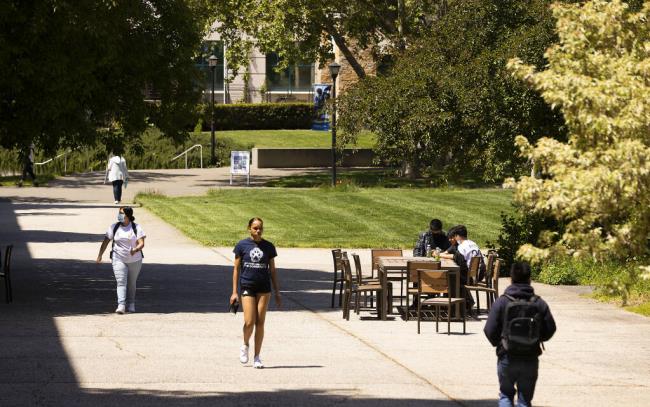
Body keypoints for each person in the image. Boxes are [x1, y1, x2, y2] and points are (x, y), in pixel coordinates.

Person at [483, 262, 556, 407]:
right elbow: (550, 328)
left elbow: (489, 329)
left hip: (507, 355)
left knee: (505, 396)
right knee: (524, 400)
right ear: (530, 279)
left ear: (511, 278)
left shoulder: (502, 302)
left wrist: (500, 343)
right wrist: (536, 339)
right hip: (530, 357)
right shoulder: (539, 303)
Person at [230, 217, 281, 369]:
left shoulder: (269, 247)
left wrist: (277, 291)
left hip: (264, 288)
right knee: (249, 321)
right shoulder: (241, 245)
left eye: (260, 228)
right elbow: (236, 269)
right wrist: (234, 292)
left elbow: (272, 270)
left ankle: (257, 357)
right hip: (247, 286)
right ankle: (245, 344)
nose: (258, 231)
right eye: (255, 228)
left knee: (260, 323)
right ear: (249, 228)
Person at [96, 206, 146, 314]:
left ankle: (131, 304)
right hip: (118, 258)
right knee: (121, 282)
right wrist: (100, 255)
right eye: (119, 213)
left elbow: (142, 243)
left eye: (121, 213)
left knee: (132, 283)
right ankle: (121, 305)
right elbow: (105, 242)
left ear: (128, 216)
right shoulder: (114, 227)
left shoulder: (136, 228)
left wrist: (135, 249)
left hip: (135, 260)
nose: (119, 215)